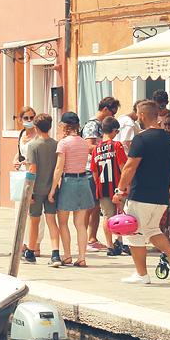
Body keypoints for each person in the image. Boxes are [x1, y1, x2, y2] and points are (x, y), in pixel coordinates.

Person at [113, 100, 170, 284]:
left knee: (133, 234)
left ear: (142, 116)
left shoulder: (141, 139)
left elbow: (130, 167)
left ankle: (142, 274)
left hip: (141, 195)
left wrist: (119, 190)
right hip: (161, 197)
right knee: (151, 230)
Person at [50, 111, 95, 267]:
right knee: (80, 224)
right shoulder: (83, 142)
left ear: (65, 125)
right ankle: (82, 257)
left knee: (63, 222)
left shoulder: (63, 143)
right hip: (83, 180)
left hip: (69, 180)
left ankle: (67, 255)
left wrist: (52, 188)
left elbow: (58, 168)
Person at [21, 113, 60, 265]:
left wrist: (28, 190)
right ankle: (55, 253)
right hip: (52, 189)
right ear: (50, 127)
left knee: (34, 221)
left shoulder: (33, 146)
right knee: (52, 221)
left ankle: (31, 251)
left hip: (36, 190)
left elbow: (32, 170)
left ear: (36, 128)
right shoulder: (56, 144)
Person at [83, 97, 120, 251]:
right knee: (90, 207)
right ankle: (84, 239)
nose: (113, 117)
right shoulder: (92, 125)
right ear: (105, 109)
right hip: (92, 169)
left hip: (102, 169)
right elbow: (88, 146)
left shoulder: (100, 125)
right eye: (113, 113)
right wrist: (106, 147)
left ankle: (92, 238)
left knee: (98, 207)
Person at [91, 117, 128, 256]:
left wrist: (98, 184)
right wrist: (126, 185)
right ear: (113, 131)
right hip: (118, 186)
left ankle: (110, 245)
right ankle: (120, 241)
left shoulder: (96, 149)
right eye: (117, 131)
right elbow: (123, 167)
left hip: (103, 187)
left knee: (107, 216)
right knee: (121, 215)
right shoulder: (117, 146)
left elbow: (94, 171)